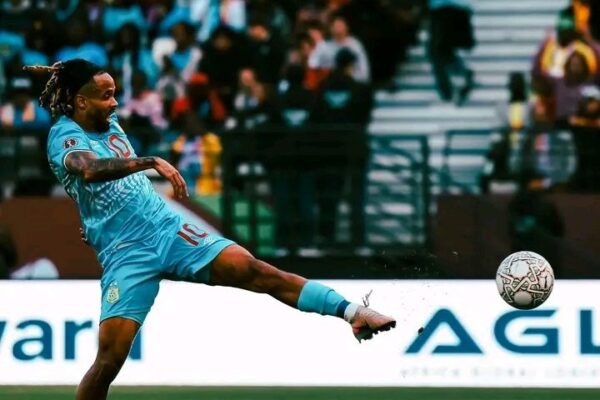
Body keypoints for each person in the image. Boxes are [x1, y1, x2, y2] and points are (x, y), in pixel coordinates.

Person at [25, 59, 395, 400]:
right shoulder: (63, 135)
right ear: (80, 101)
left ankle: (352, 312)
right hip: (126, 253)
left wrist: (93, 216)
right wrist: (149, 161)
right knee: (108, 361)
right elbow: (87, 169)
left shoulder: (108, 122)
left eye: (114, 93)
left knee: (254, 270)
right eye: (106, 96)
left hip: (169, 229)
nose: (115, 103)